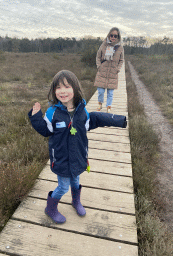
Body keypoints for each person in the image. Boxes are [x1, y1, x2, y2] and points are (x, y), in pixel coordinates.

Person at [28, 70, 127, 224]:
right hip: (61, 158)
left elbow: (96, 119)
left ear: (75, 88)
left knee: (75, 182)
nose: (63, 91)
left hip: (79, 156)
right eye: (58, 87)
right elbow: (45, 130)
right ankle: (50, 208)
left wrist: (119, 120)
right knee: (62, 187)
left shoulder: (82, 111)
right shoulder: (52, 112)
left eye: (67, 86)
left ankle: (76, 202)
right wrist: (35, 117)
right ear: (54, 91)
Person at [94, 27, 124, 112]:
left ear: (118, 37)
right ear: (109, 35)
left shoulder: (120, 48)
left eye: (115, 36)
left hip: (112, 73)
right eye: (111, 35)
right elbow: (98, 57)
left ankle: (108, 107)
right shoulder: (103, 45)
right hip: (102, 72)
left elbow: (121, 60)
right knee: (100, 91)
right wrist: (99, 66)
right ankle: (100, 104)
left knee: (110, 93)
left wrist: (118, 69)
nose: (113, 37)